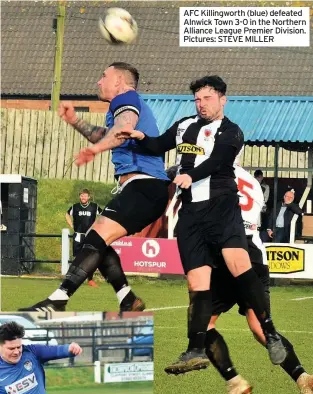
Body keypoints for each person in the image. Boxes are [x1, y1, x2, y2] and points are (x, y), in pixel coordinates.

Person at [74, 74, 287, 373]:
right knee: (197, 283)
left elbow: (218, 162)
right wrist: (142, 139)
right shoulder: (185, 125)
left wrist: (191, 175)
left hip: (221, 209)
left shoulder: (232, 132)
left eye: (208, 98)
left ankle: (271, 331)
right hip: (190, 216)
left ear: (223, 99)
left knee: (241, 268)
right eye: (197, 99)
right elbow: (159, 145)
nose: (201, 104)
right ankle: (194, 350)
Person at [19, 62, 170, 312]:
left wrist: (94, 151)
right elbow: (105, 133)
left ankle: (59, 299)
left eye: (104, 76)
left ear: (119, 81)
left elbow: (122, 130)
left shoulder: (127, 98)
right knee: (95, 240)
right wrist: (74, 120)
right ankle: (127, 298)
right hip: (143, 188)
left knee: (94, 239)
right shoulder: (123, 104)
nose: (99, 82)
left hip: (145, 186)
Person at [203, 166, 313, 394]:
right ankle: (303, 378)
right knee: (261, 329)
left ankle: (235, 382)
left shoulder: (209, 172)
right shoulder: (251, 181)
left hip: (230, 254)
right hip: (256, 254)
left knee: (202, 323)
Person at [0, 321, 82, 394]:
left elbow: (58, 350)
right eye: (11, 348)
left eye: (19, 347)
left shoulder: (32, 352)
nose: (16, 352)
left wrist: (71, 348)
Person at [66, 188, 102, 288]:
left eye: (85, 195)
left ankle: (90, 279)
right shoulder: (75, 206)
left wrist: (98, 226)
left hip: (90, 235)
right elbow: (67, 214)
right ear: (79, 196)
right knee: (77, 257)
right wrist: (71, 224)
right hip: (78, 235)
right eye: (81, 195)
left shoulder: (94, 207)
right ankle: (73, 278)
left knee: (91, 257)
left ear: (89, 197)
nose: (83, 197)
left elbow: (103, 216)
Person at [254, 169, 270, 241]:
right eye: (257, 177)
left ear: (262, 177)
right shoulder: (251, 186)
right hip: (253, 206)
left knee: (263, 224)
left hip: (261, 206)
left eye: (260, 177)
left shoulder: (265, 187)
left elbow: (265, 199)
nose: (259, 179)